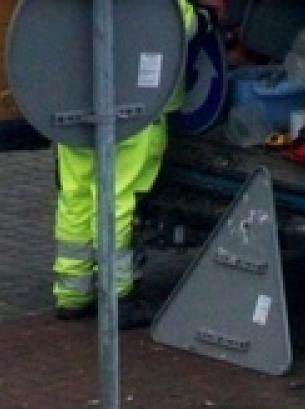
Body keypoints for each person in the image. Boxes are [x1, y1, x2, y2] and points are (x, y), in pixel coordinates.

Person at [52, 0, 199, 326]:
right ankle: (117, 296)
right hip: (134, 104)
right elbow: (177, 24)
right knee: (118, 198)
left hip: (71, 97)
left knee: (75, 195)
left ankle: (73, 292)